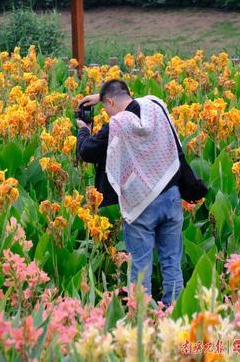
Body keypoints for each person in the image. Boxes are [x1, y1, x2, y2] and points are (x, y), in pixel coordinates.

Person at [75, 80, 184, 306]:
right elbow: (133, 102)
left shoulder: (119, 124)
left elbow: (87, 151)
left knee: (140, 268)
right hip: (171, 196)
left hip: (143, 203)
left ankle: (141, 319)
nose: (107, 114)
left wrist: (83, 131)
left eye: (106, 107)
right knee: (172, 262)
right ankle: (175, 315)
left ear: (111, 102)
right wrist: (102, 96)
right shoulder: (155, 108)